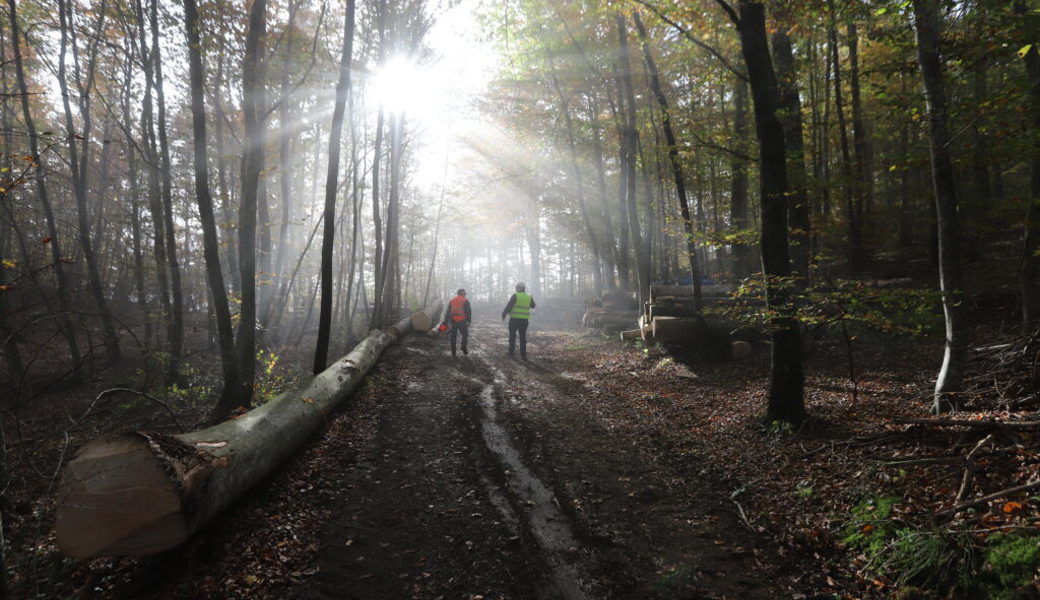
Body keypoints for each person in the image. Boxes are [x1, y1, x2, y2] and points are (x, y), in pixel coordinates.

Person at [501, 282, 535, 360]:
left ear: (518, 288)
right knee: (523, 337)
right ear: (524, 289)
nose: (516, 289)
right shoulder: (529, 297)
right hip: (524, 320)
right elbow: (533, 306)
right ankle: (523, 355)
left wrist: (504, 314)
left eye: (516, 288)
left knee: (512, 336)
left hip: (514, 320)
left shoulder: (515, 296)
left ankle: (511, 354)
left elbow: (508, 307)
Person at [442, 288, 471, 357]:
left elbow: (448, 312)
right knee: (465, 335)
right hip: (462, 321)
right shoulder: (465, 300)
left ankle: (453, 352)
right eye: (464, 293)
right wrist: (468, 321)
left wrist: (445, 322)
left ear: (457, 293)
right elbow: (468, 312)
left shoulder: (452, 300)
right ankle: (463, 347)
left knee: (453, 337)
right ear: (463, 293)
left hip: (453, 321)